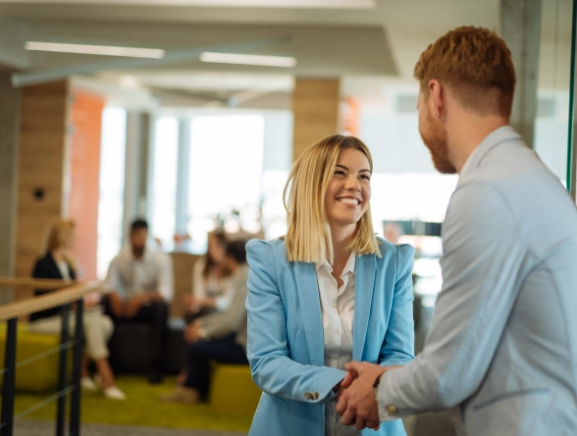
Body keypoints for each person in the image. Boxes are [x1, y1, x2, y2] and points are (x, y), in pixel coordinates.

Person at [336, 26, 577, 435]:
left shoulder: (487, 192)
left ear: (436, 96)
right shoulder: (531, 179)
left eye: (417, 107)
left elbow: (450, 371)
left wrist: (376, 389)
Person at [246, 135, 415, 436]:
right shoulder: (271, 260)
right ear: (313, 183)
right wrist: (343, 384)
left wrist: (373, 388)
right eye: (340, 172)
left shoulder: (394, 262)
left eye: (364, 176)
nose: (355, 185)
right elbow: (267, 362)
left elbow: (401, 356)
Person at [29, 218, 126, 400]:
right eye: (72, 235)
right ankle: (106, 377)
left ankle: (80, 371)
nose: (75, 239)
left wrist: (83, 305)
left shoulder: (68, 263)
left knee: (105, 322)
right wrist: (76, 305)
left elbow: (72, 295)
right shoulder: (43, 264)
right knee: (92, 322)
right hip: (46, 319)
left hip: (67, 315)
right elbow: (47, 299)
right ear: (61, 237)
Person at [160, 240, 249, 403]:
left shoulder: (244, 278)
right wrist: (200, 324)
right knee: (198, 339)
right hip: (240, 338)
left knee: (198, 347)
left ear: (229, 258)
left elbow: (232, 321)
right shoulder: (243, 276)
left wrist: (202, 331)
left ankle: (194, 391)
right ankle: (189, 387)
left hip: (246, 347)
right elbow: (228, 314)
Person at [101, 218, 174, 384]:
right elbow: (107, 286)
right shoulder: (119, 259)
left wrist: (142, 298)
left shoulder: (160, 260)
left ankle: (156, 367)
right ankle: (110, 364)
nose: (139, 240)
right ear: (130, 236)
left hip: (147, 308)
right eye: (136, 236)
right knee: (105, 305)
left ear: (147, 236)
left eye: (142, 236)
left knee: (162, 308)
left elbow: (166, 293)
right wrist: (113, 296)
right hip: (124, 307)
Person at [183, 232, 232, 321]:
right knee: (190, 314)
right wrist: (194, 306)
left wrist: (203, 301)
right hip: (205, 309)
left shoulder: (231, 269)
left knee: (211, 313)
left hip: (224, 311)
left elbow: (227, 302)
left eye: (217, 247)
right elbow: (198, 293)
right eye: (210, 247)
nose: (212, 251)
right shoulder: (202, 266)